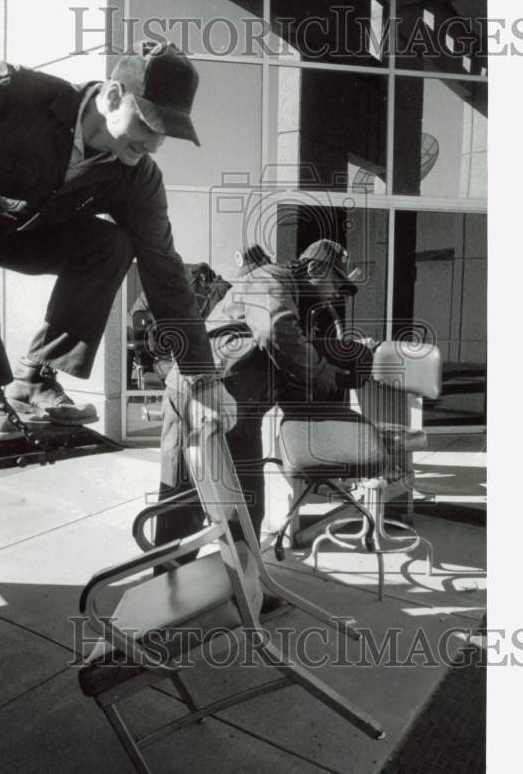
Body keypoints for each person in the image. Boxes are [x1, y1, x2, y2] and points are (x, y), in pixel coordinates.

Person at [0, 42, 235, 441]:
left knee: (115, 244)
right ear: (112, 96)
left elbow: (165, 272)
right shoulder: (17, 89)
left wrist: (202, 378)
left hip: (25, 234)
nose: (154, 144)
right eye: (147, 123)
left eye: (165, 134)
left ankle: (35, 378)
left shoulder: (138, 177)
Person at [154, 238, 374, 555]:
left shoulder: (292, 298)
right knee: (184, 504)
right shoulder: (269, 280)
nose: (336, 293)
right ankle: (169, 589)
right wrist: (321, 371)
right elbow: (275, 331)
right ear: (313, 268)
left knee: (246, 505)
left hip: (238, 406)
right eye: (335, 282)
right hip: (201, 396)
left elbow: (284, 351)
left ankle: (248, 590)